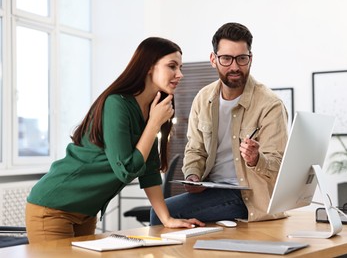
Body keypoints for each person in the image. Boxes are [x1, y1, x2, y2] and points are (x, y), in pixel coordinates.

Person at [25, 37, 205, 243]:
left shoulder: (154, 108)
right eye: (172, 66)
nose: (180, 74)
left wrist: (167, 219)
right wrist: (154, 123)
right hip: (53, 208)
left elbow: (150, 170)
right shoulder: (116, 104)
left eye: (180, 67)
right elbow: (127, 169)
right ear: (148, 66)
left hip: (86, 213)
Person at [150, 22, 289, 225]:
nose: (235, 67)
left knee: (162, 214)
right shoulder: (203, 98)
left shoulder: (270, 105)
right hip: (212, 190)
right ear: (213, 59)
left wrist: (256, 159)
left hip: (248, 196)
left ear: (250, 59)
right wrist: (193, 176)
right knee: (160, 210)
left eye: (242, 58)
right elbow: (195, 149)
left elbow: (279, 165)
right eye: (226, 58)